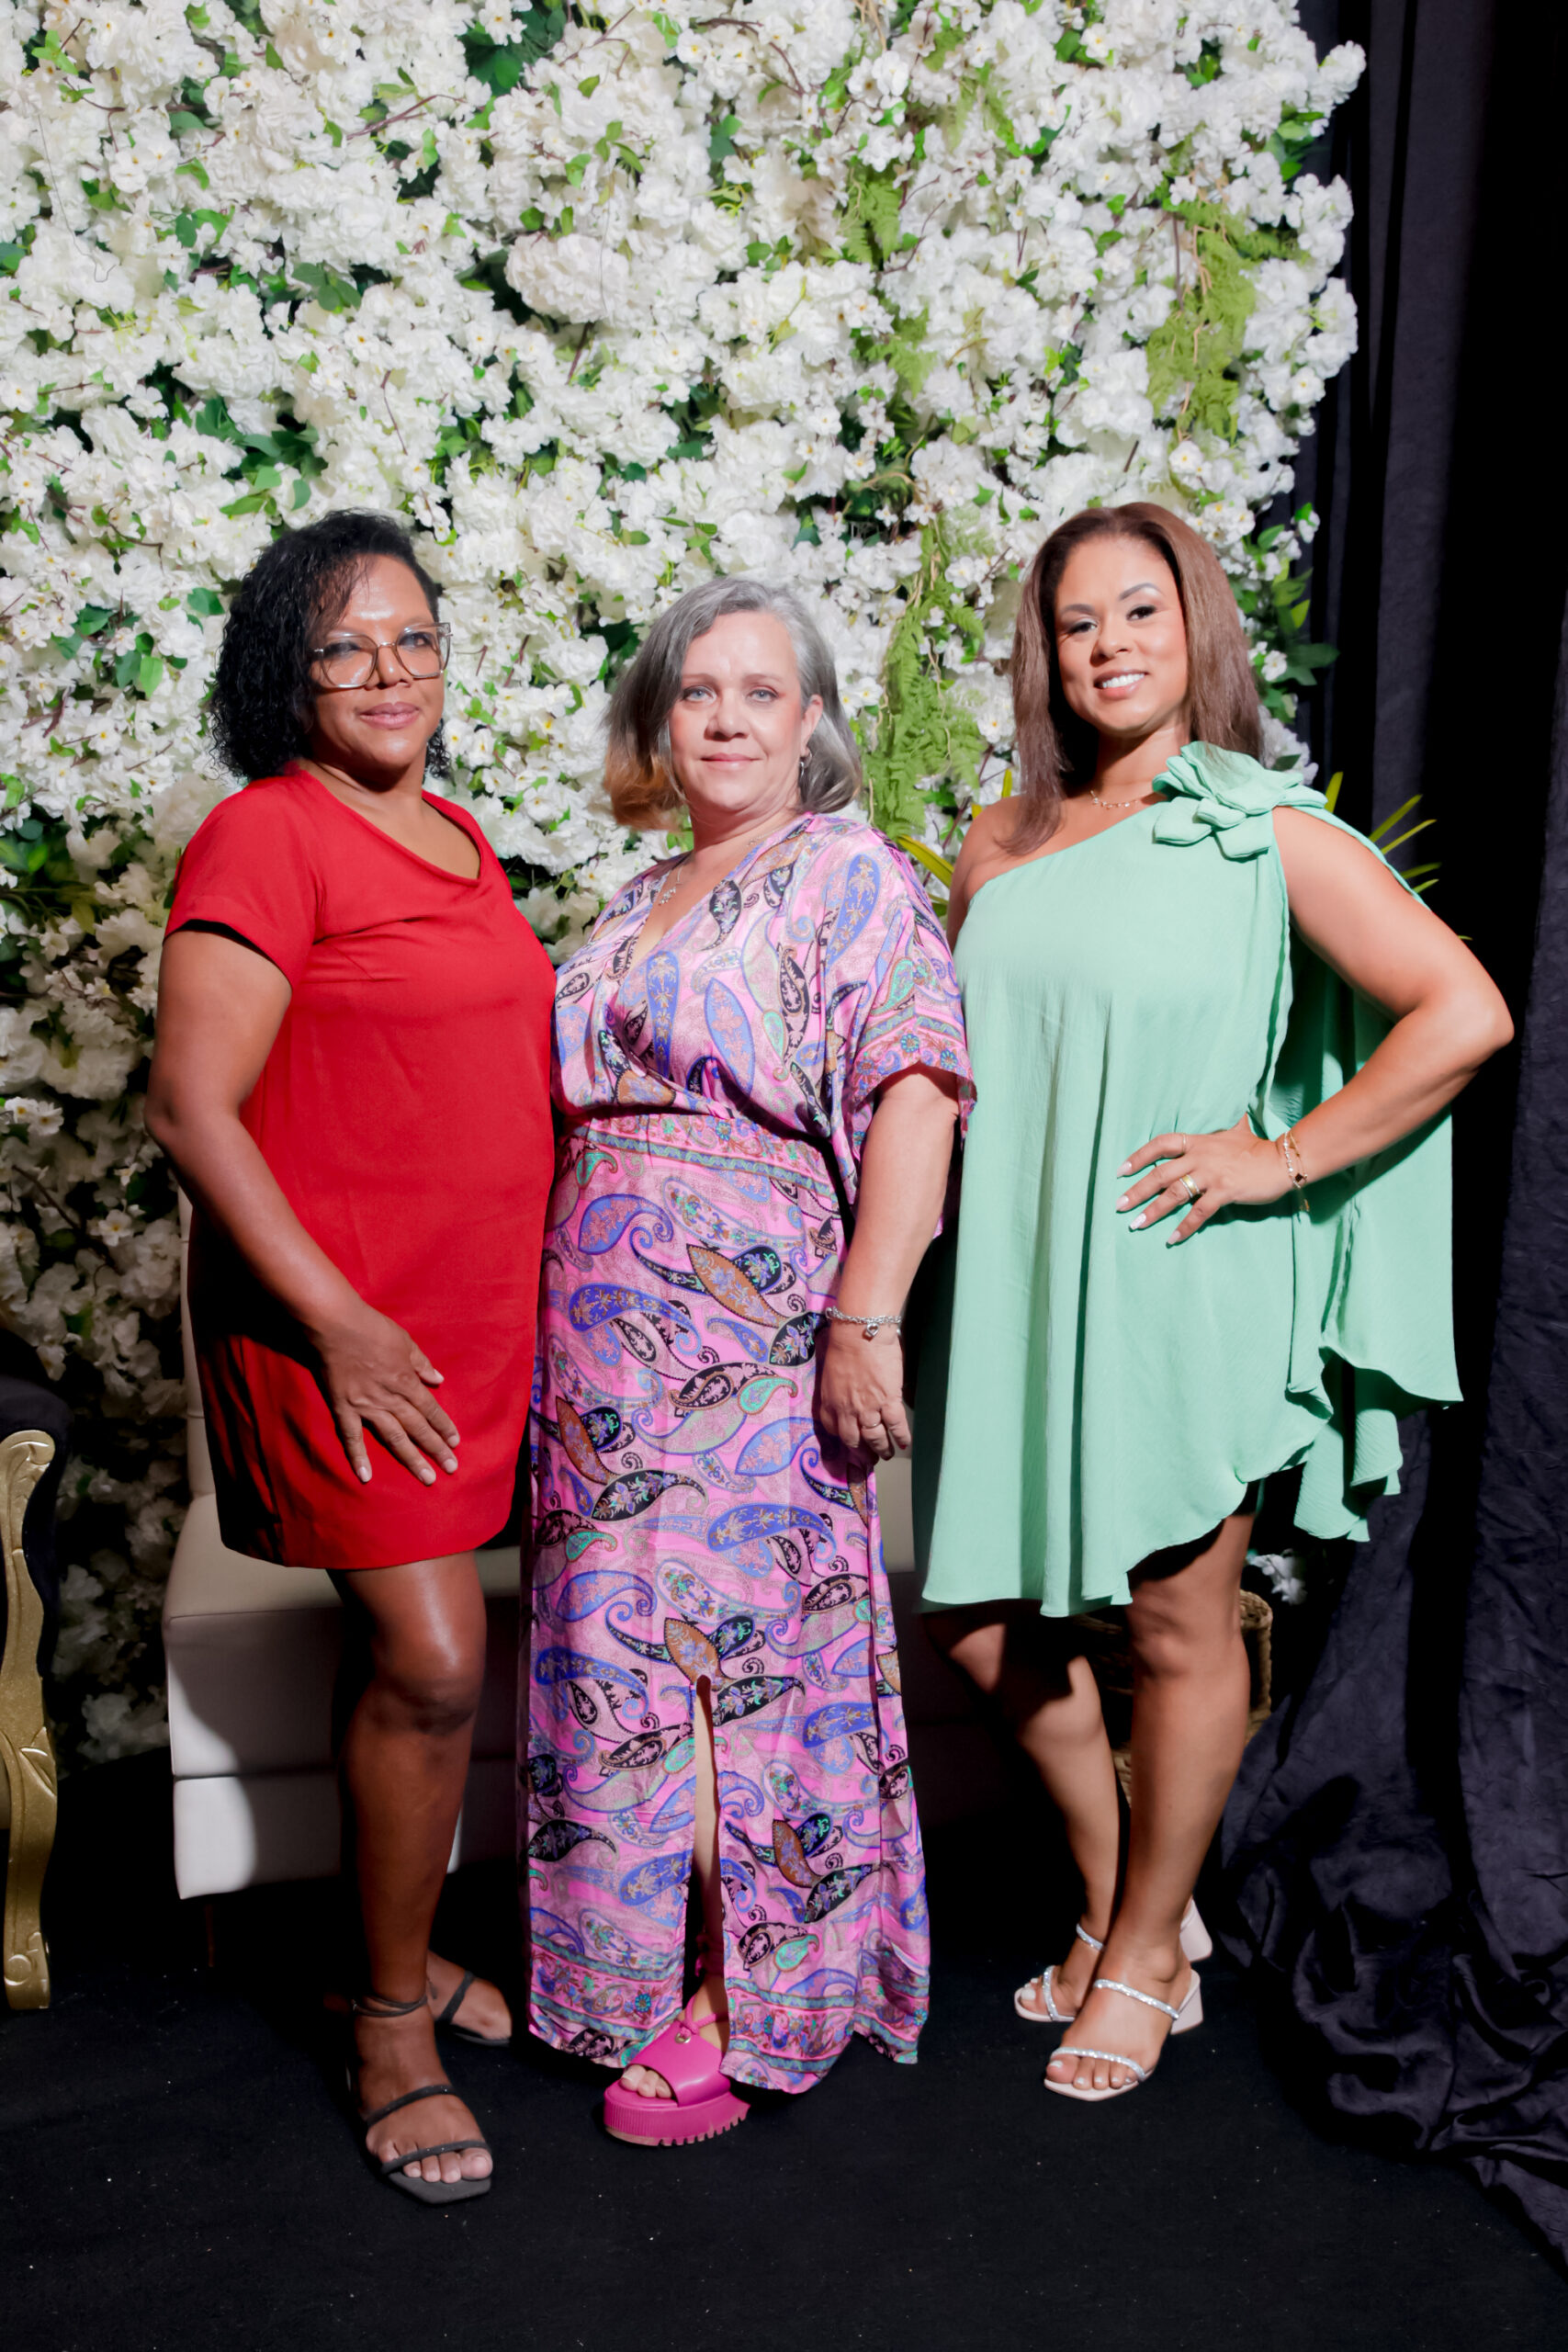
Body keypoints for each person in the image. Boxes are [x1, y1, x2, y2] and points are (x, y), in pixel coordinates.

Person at [912, 502, 1512, 2104]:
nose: (1108, 645)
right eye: (1077, 622)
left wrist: (1283, 1159)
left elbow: (1462, 1010)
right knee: (977, 1621)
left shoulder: (1260, 831)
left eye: (1140, 612)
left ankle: (1138, 1949)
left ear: (1197, 635)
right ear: (1044, 654)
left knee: (1180, 1624)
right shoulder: (997, 838)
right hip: (1016, 1281)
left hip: (1178, 1270)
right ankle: (1137, 1906)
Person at [522, 576, 971, 2145]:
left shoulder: (850, 874)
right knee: (617, 1660)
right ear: (662, 718)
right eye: (696, 690)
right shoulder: (632, 896)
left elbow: (917, 1092)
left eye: (759, 691)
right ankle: (635, 1970)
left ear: (811, 721)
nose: (724, 718)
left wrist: (865, 1318)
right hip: (596, 1348)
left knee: (743, 1661)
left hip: (757, 1332)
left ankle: (747, 1993)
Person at [147, 511, 556, 2202]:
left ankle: (374, 1944)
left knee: (400, 1648)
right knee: (441, 1658)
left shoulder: (456, 834)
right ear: (286, 674)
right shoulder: (266, 834)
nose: (390, 674)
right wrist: (336, 1322)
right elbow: (191, 1107)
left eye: (414, 639)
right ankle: (389, 2021)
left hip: (468, 1317)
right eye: (344, 648)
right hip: (342, 1325)